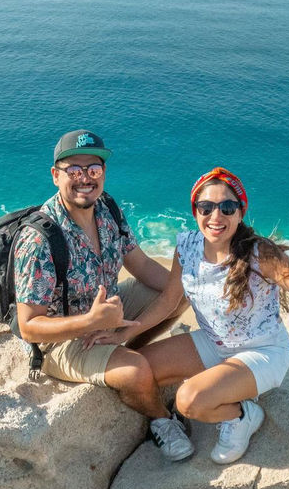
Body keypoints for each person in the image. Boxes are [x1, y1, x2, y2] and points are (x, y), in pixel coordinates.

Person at [14, 129, 194, 460]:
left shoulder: (107, 209)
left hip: (108, 315)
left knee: (178, 293)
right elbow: (30, 327)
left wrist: (189, 285)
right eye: (74, 170)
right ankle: (160, 420)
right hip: (62, 342)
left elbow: (138, 263)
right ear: (56, 176)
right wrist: (90, 321)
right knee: (136, 371)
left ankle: (120, 348)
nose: (85, 178)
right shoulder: (39, 239)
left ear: (103, 173)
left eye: (93, 169)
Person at [138, 166, 289, 465]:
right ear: (195, 211)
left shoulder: (260, 254)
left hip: (263, 352)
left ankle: (242, 414)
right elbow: (169, 301)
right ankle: (177, 418)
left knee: (189, 400)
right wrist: (121, 336)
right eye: (206, 207)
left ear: (240, 213)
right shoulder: (187, 247)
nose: (216, 216)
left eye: (227, 207)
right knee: (140, 370)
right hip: (214, 343)